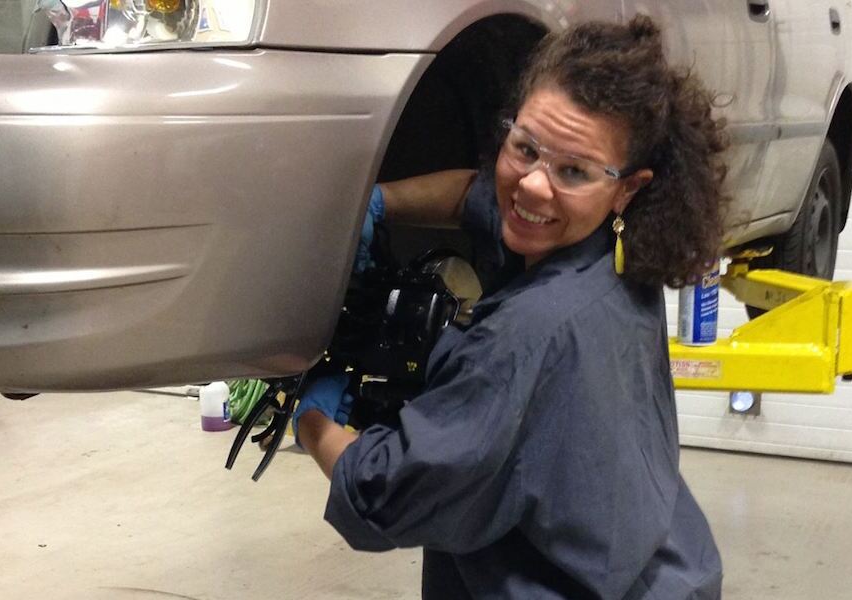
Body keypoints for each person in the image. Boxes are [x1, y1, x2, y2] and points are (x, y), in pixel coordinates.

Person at [293, 15, 728, 599]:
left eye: (573, 170)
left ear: (628, 187)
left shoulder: (524, 336)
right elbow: (478, 194)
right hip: (663, 569)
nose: (533, 186)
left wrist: (312, 418)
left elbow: (383, 489)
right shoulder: (614, 258)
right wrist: (376, 201)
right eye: (525, 148)